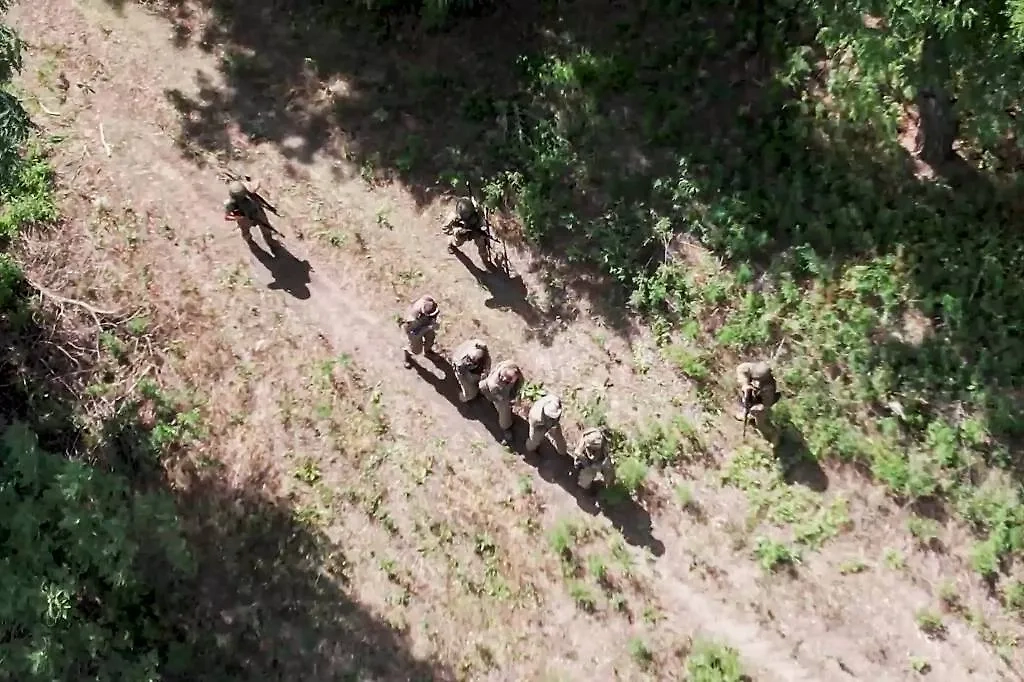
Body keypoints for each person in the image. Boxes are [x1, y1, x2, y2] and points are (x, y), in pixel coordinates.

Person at [478, 360, 523, 445]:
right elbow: (501, 398)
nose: (504, 379)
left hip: (494, 389)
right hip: (496, 393)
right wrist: (509, 401)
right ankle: (506, 427)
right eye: (503, 377)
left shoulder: (509, 365)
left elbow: (519, 383)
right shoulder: (494, 384)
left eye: (509, 379)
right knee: (504, 410)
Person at [224, 179, 280, 243]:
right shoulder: (231, 203)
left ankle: (269, 238)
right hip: (245, 219)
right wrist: (238, 217)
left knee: (266, 227)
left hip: (257, 212)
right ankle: (249, 240)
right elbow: (227, 217)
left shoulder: (248, 190)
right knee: (245, 232)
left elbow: (258, 182)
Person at [734, 360, 779, 437]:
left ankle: (774, 434)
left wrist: (757, 408)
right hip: (752, 395)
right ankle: (745, 413)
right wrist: (745, 384)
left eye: (760, 379)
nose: (758, 382)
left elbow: (766, 405)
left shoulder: (769, 388)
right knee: (744, 394)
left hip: (760, 402)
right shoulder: (750, 368)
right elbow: (740, 369)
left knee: (760, 425)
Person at [443, 197, 492, 267]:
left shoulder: (477, 211)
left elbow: (483, 221)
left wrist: (482, 230)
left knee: (481, 241)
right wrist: (458, 231)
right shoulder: (454, 217)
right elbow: (445, 229)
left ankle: (485, 259)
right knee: (457, 241)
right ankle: (451, 244)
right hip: (462, 234)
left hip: (475, 230)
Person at [400, 295, 440, 368]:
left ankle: (428, 352)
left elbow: (433, 317)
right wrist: (428, 328)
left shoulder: (429, 302)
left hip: (426, 325)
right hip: (414, 330)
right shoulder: (412, 318)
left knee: (430, 339)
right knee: (416, 350)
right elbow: (414, 334)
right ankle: (407, 357)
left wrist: (433, 325)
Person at [573, 427, 615, 492]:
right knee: (585, 480)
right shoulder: (581, 451)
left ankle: (610, 488)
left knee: (609, 470)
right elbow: (578, 455)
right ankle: (587, 489)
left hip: (601, 459)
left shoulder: (601, 438)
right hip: (588, 464)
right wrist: (589, 465)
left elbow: (608, 451)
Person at [451, 338, 491, 403]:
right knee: (471, 394)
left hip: (473, 372)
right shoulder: (460, 361)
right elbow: (462, 374)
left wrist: (483, 377)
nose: (468, 362)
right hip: (462, 372)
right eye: (468, 359)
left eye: (472, 361)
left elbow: (486, 370)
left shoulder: (485, 360)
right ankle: (465, 397)